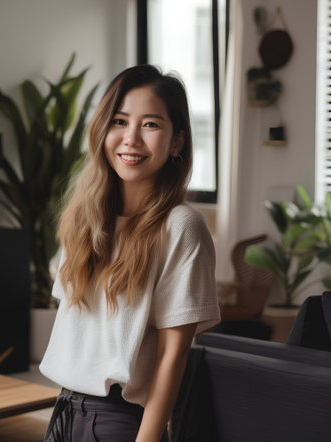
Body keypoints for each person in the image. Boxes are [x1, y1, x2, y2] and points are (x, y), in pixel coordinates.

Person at [40, 64, 220, 442]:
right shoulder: (84, 217)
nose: (131, 139)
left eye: (151, 125)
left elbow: (174, 355)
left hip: (117, 421)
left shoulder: (182, 226)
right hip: (63, 411)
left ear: (177, 142)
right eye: (120, 121)